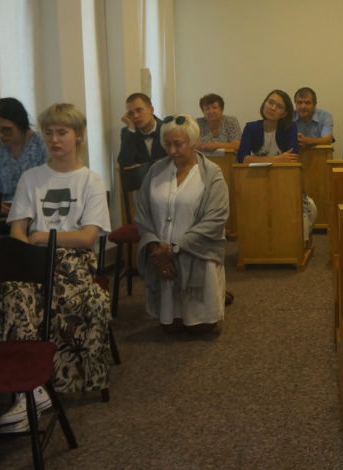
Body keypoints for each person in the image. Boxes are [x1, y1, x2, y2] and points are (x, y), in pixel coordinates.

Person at [0, 103, 112, 430]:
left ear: (79, 136)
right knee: (14, 293)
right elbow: (18, 230)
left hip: (74, 261)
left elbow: (87, 238)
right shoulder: (31, 178)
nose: (55, 139)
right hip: (33, 258)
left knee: (62, 295)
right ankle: (29, 389)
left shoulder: (90, 180)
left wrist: (42, 237)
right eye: (49, 133)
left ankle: (35, 388)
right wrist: (24, 253)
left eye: (62, 132)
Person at [135, 115, 228, 333]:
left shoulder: (211, 173)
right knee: (170, 324)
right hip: (161, 254)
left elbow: (216, 217)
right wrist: (155, 247)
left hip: (197, 253)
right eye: (167, 144)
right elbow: (142, 212)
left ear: (193, 141)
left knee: (201, 327)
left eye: (178, 144)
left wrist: (176, 247)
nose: (172, 150)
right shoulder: (156, 170)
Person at [238, 90, 316, 239]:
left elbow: (292, 159)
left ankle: (299, 241)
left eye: (279, 106)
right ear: (264, 104)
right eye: (270, 102)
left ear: (284, 113)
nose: (272, 108)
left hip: (284, 181)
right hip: (256, 181)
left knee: (304, 206)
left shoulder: (290, 128)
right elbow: (242, 158)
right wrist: (278, 159)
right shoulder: (251, 127)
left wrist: (256, 160)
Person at [0, 97, 46, 211]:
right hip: (9, 210)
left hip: (41, 207)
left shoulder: (42, 144)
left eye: (6, 129)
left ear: (20, 124)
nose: (0, 135)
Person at [118, 93, 167, 167]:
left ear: (151, 109)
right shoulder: (128, 133)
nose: (135, 116)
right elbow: (124, 164)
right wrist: (131, 129)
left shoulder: (167, 128)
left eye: (139, 110)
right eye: (131, 113)